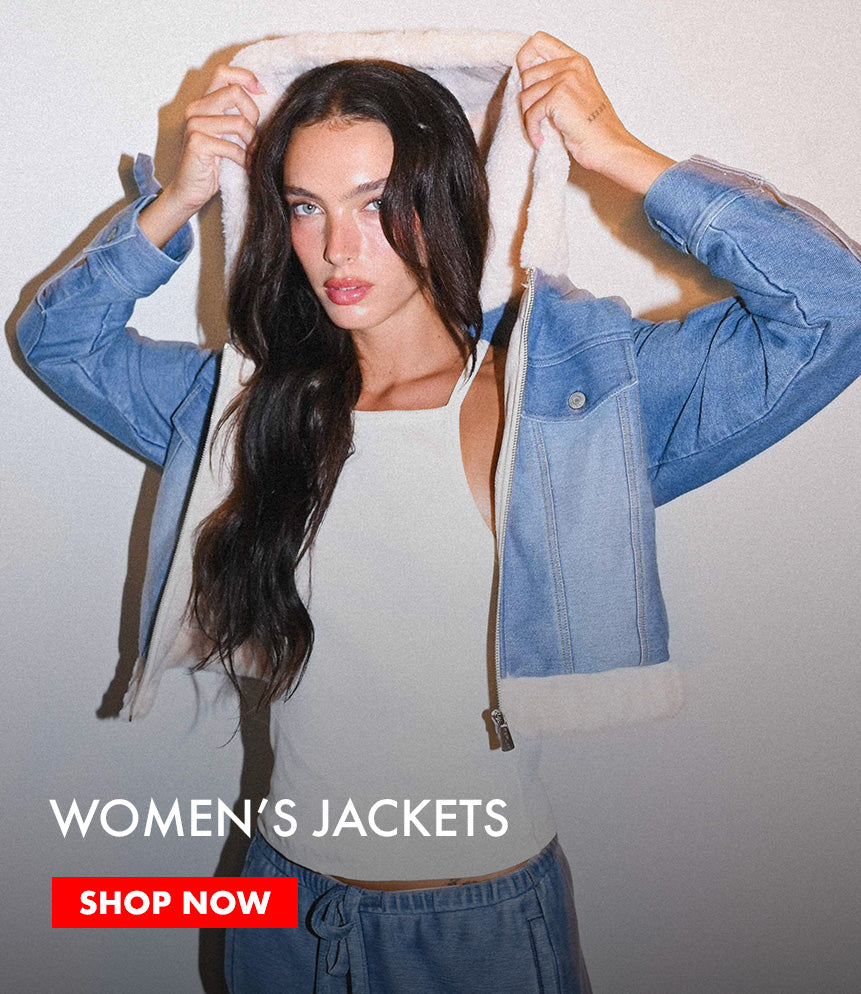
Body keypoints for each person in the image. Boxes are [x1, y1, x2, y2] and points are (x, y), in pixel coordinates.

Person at [16, 29, 861, 994]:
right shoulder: (246, 410)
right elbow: (59, 342)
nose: (337, 247)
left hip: (475, 931)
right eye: (305, 206)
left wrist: (619, 153)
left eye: (378, 204)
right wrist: (178, 200)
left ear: (449, 202)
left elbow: (834, 306)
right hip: (279, 911)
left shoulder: (559, 407)